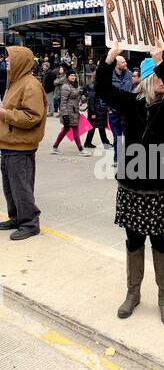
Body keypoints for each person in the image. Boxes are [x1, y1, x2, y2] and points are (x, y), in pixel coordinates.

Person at [94, 39, 164, 326]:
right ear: (147, 80)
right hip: (133, 186)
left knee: (161, 242)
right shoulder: (131, 102)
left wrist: (161, 62)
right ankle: (133, 293)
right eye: (157, 76)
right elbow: (102, 89)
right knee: (134, 241)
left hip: (161, 187)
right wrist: (109, 59)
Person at [0, 46, 47, 240]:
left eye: (10, 58)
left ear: (21, 61)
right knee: (10, 187)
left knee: (21, 187)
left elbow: (32, 116)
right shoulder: (16, 81)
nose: (7, 61)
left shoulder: (30, 85)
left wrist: (5, 114)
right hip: (9, 144)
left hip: (21, 146)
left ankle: (30, 223)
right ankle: (17, 217)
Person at [50, 70, 90, 157]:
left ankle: (54, 147)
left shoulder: (73, 86)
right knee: (75, 129)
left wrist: (82, 91)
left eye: (74, 75)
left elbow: (76, 94)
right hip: (69, 112)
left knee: (65, 130)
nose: (73, 77)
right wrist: (64, 114)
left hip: (74, 111)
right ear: (67, 77)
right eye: (71, 75)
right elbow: (63, 102)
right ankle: (81, 149)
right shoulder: (66, 86)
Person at [109, 55, 133, 166]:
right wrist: (107, 108)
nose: (126, 64)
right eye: (123, 62)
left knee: (129, 136)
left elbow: (134, 90)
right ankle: (117, 159)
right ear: (117, 64)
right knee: (117, 137)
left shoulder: (129, 74)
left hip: (127, 112)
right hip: (113, 112)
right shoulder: (109, 76)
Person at [84, 73, 113, 149]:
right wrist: (92, 112)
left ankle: (88, 143)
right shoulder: (94, 86)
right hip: (96, 111)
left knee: (98, 127)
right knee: (98, 127)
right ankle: (103, 143)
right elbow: (91, 100)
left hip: (100, 110)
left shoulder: (99, 86)